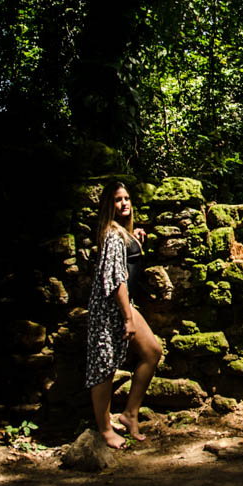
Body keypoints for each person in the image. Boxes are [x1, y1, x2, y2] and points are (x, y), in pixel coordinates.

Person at [85, 181, 162, 448]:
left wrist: (134, 238)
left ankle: (129, 414)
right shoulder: (112, 235)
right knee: (104, 368)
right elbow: (117, 278)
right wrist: (127, 318)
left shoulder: (121, 234)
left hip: (122, 305)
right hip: (110, 308)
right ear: (109, 204)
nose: (124, 203)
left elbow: (125, 261)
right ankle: (105, 430)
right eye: (118, 200)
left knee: (152, 351)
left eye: (127, 198)